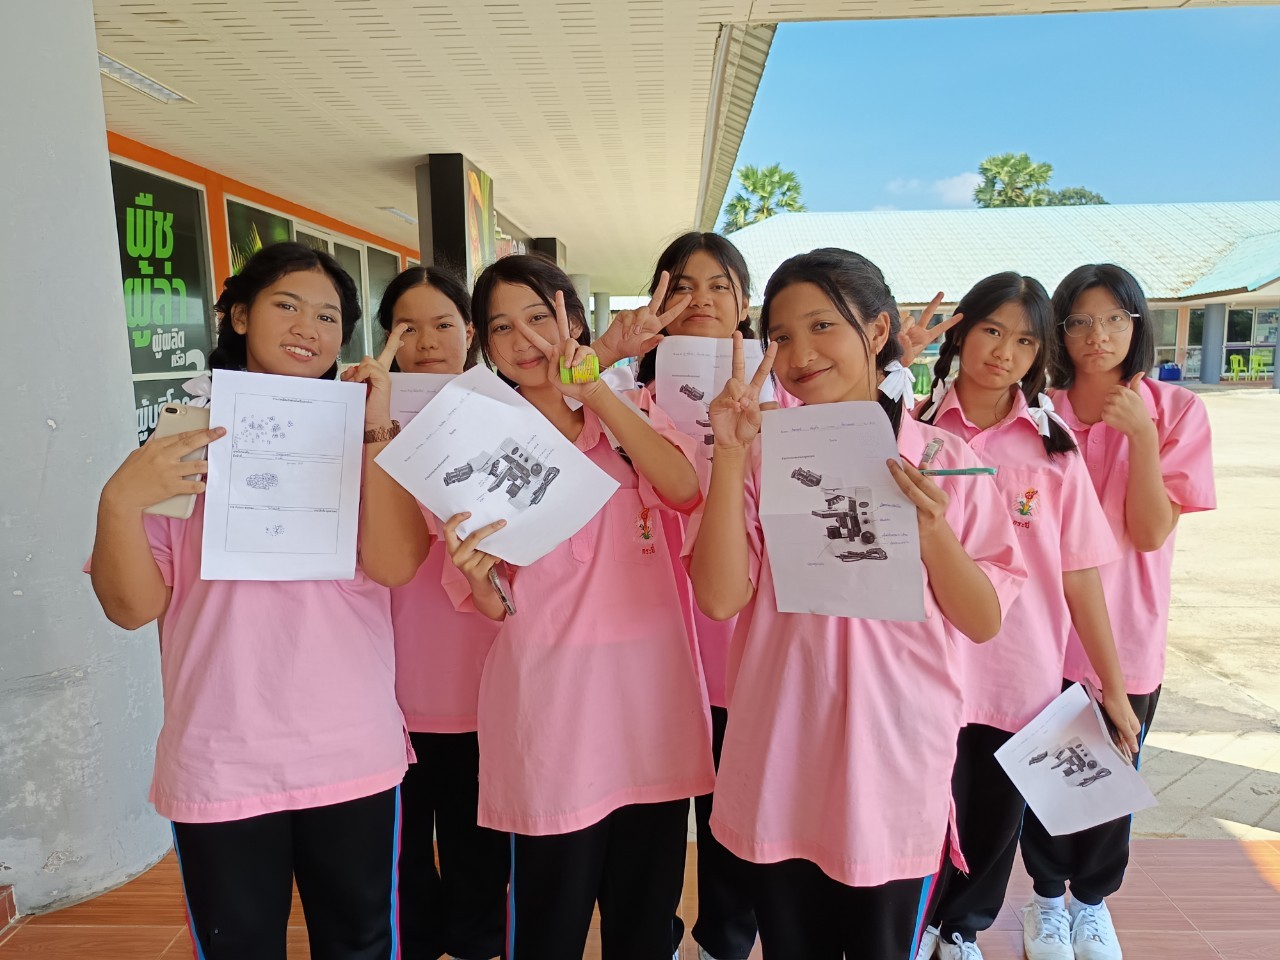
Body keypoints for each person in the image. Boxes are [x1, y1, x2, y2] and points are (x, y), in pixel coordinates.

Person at [89, 242, 429, 960]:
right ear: (239, 315)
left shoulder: (365, 438)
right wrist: (118, 503)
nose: (309, 327)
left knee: (362, 942)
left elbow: (397, 565)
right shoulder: (185, 440)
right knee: (238, 945)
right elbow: (130, 607)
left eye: (329, 316)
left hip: (349, 749)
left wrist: (374, 428)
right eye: (287, 305)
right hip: (222, 755)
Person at [686, 248, 1026, 959]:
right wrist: (730, 455)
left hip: (893, 760)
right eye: (781, 336)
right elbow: (718, 598)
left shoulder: (943, 460)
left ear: (876, 332)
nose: (800, 354)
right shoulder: (760, 457)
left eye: (822, 326)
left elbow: (983, 619)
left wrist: (931, 532)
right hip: (783, 753)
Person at [441, 254, 715, 959]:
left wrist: (596, 390)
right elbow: (495, 605)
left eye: (539, 316)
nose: (525, 339)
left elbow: (685, 490)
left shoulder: (628, 412)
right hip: (552, 715)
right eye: (502, 327)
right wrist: (480, 581)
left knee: (645, 923)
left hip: (648, 710)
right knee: (548, 924)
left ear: (575, 321)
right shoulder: (478, 445)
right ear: (484, 344)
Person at [909, 272, 1141, 960]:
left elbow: (1079, 574)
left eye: (1025, 341)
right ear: (960, 333)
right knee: (918, 808)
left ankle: (960, 930)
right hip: (923, 668)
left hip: (1018, 673)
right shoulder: (913, 429)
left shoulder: (1053, 447)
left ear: (1041, 355)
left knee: (993, 819)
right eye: (991, 331)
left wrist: (1114, 688)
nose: (1003, 353)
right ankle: (915, 926)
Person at [1018, 264, 1216, 960]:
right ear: (1059, 330)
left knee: (1109, 784)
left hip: (1127, 634)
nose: (1096, 335)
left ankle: (1092, 904)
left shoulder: (1175, 410)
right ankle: (1046, 902)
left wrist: (1142, 438)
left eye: (1113, 319)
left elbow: (1151, 531)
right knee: (1047, 783)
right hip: (1043, 634)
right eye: (1079, 321)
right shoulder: (1039, 410)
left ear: (1137, 324)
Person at [374, 266, 509, 960]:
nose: (426, 342)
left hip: (485, 679)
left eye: (443, 325)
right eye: (407, 328)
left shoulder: (511, 420)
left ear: (471, 333)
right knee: (398, 854)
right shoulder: (360, 422)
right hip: (388, 689)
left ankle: (479, 943)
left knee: (480, 844)